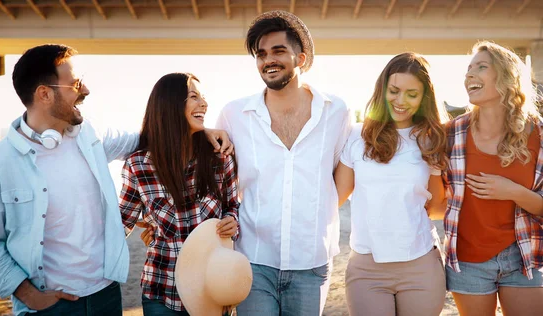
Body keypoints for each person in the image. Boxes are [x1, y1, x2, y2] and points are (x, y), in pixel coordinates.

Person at [0, 44, 232, 316]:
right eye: (75, 84)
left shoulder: (91, 137)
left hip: (105, 295)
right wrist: (30, 296)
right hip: (48, 305)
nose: (85, 91)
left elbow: (158, 136)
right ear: (44, 94)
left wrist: (200, 130)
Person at [216, 10, 353, 316]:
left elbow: (338, 182)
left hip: (312, 262)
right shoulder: (234, 115)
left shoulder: (336, 111)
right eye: (261, 54)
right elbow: (216, 178)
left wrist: (310, 214)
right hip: (253, 259)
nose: (268, 61)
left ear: (301, 58)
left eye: (278, 51)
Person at [334, 52, 448, 315]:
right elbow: (336, 197)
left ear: (424, 98)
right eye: (394, 91)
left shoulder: (431, 140)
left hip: (421, 266)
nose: (400, 101)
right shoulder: (356, 135)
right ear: (383, 89)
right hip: (366, 269)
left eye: (412, 94)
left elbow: (437, 206)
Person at [118, 73, 240, 316]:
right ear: (170, 105)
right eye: (194, 97)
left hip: (213, 288)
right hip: (162, 291)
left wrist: (232, 221)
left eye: (203, 98)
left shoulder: (219, 157)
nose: (204, 104)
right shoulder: (138, 165)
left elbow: (233, 205)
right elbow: (120, 225)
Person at [443, 41, 543, 315]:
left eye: (481, 67)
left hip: (524, 258)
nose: (469, 75)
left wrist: (513, 191)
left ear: (507, 77)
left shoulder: (539, 135)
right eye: (468, 69)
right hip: (469, 260)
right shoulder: (450, 134)